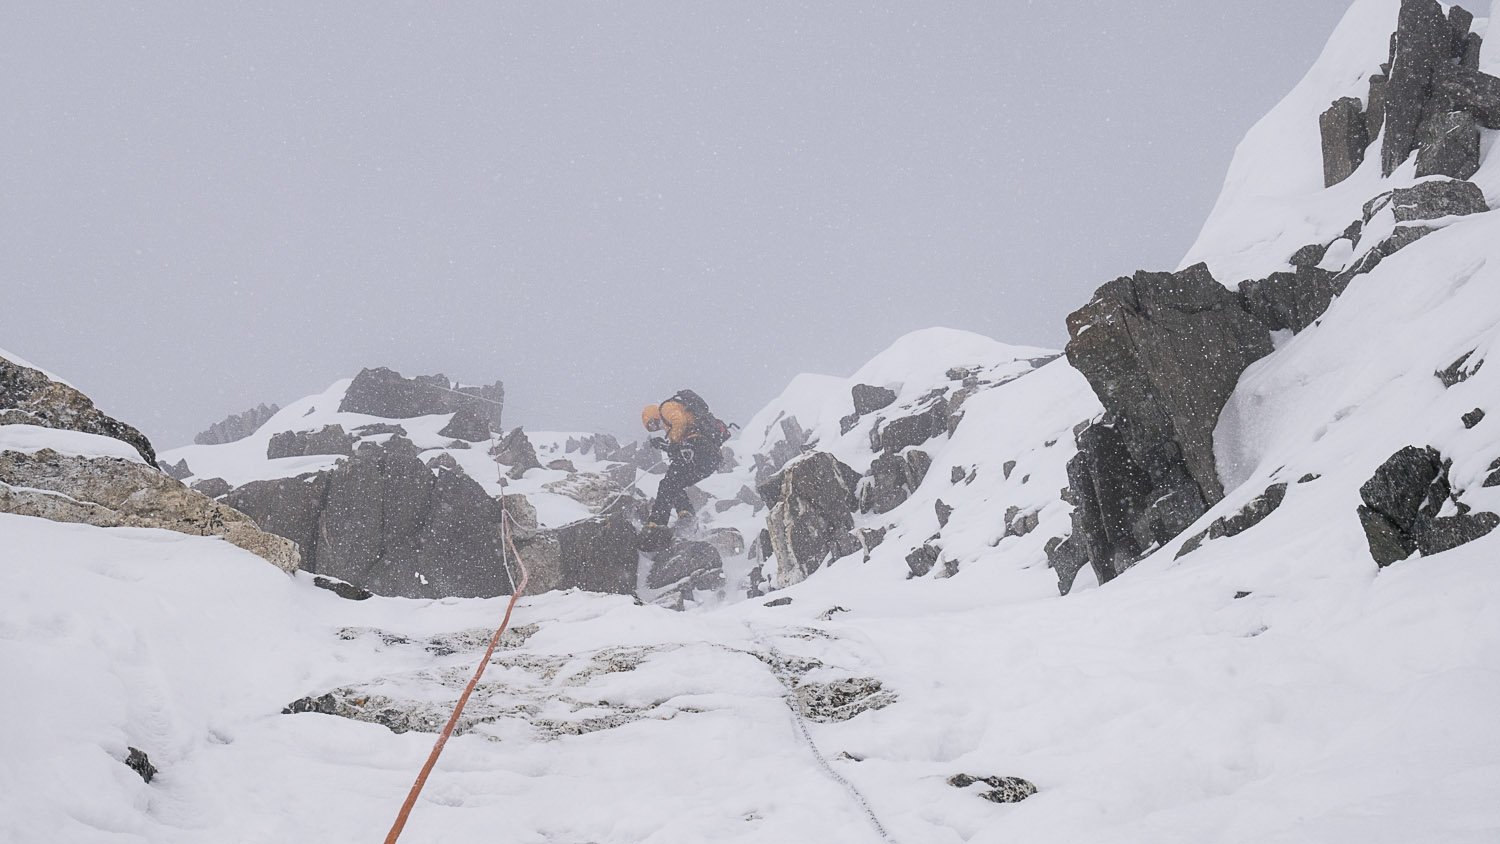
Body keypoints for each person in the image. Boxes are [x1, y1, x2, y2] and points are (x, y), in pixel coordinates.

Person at [641, 392, 726, 529]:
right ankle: (686, 514)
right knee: (675, 484)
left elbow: (679, 421)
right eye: (651, 428)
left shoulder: (665, 408)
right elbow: (678, 445)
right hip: (709, 458)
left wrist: (673, 443)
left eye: (652, 423)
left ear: (654, 414)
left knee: (667, 484)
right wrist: (666, 445)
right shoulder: (683, 425)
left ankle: (656, 524)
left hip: (696, 447)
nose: (655, 427)